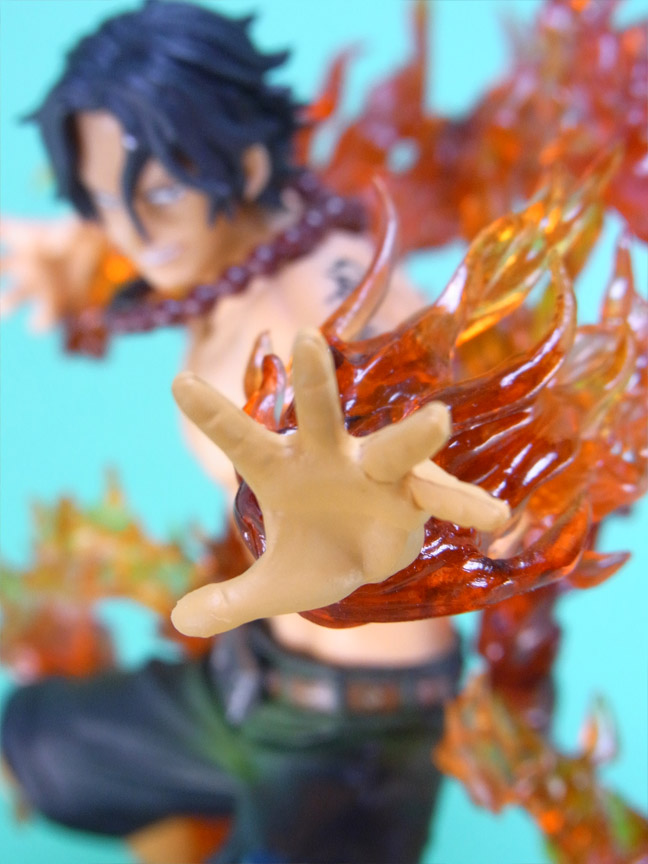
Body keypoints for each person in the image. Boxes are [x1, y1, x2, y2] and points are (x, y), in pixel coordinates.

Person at [1, 4, 501, 862]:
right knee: (38, 748)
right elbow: (146, 239)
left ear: (249, 163)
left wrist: (404, 530)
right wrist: (81, 254)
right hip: (241, 678)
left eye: (159, 195)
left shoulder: (336, 318)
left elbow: (488, 500)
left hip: (351, 743)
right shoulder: (243, 234)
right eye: (105, 199)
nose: (134, 235)